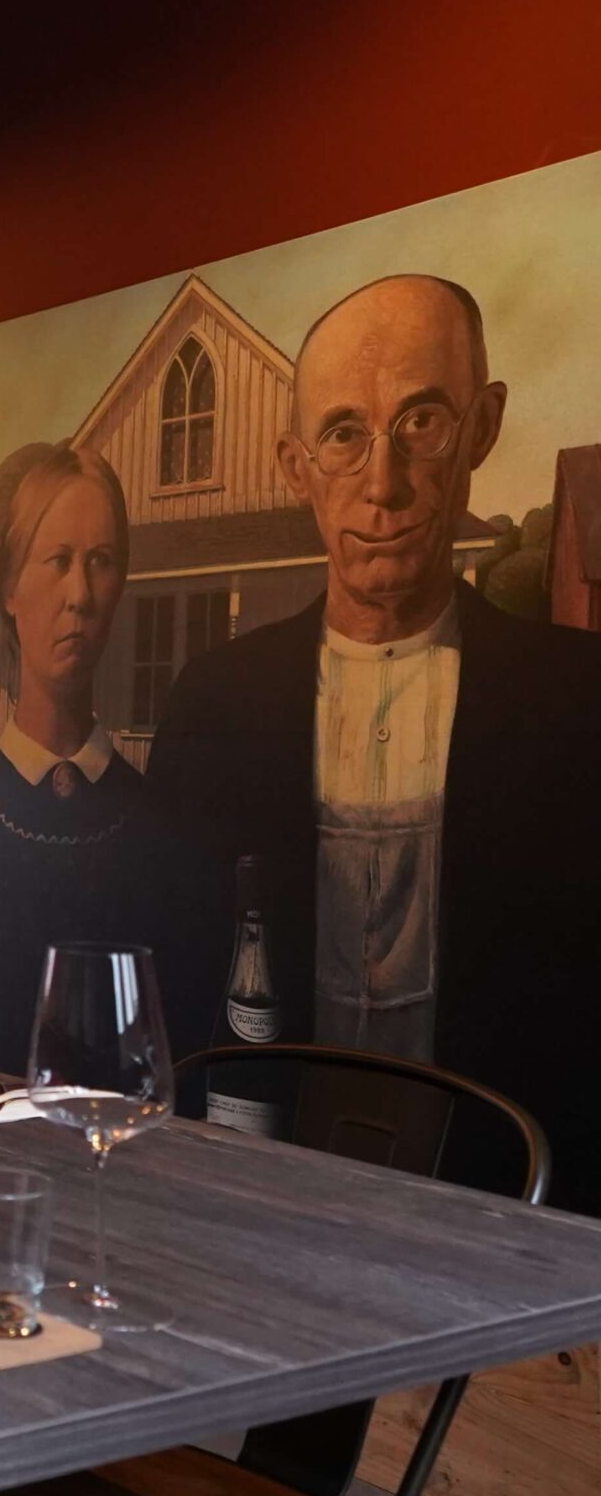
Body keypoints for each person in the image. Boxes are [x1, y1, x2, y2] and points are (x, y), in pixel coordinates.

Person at [150, 274, 601, 1209]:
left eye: (421, 422)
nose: (383, 484)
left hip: (503, 1237)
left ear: (483, 426)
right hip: (253, 1214)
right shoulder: (212, 705)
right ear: (296, 464)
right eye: (345, 434)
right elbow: (171, 1009)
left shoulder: (580, 707)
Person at [0, 447, 199, 1066]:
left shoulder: (163, 832)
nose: (80, 594)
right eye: (58, 561)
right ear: (10, 588)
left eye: (101, 562)